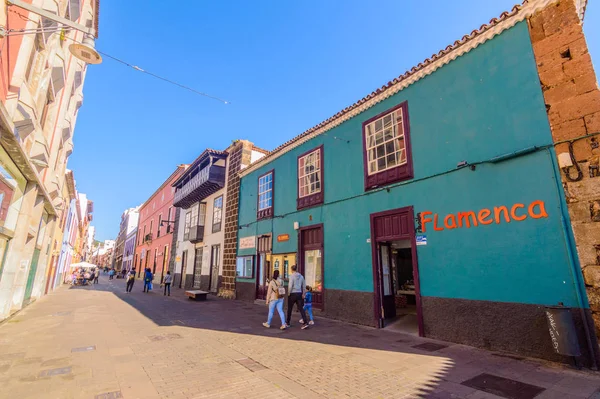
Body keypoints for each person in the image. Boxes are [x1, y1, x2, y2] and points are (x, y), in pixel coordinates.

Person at [286, 265, 309, 329]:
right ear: (296, 269)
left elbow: (290, 285)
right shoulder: (301, 276)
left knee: (290, 308)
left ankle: (288, 322)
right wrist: (303, 293)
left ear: (291, 269)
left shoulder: (291, 276)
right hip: (299, 293)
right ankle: (305, 322)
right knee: (301, 308)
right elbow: (304, 286)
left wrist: (288, 293)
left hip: (293, 293)